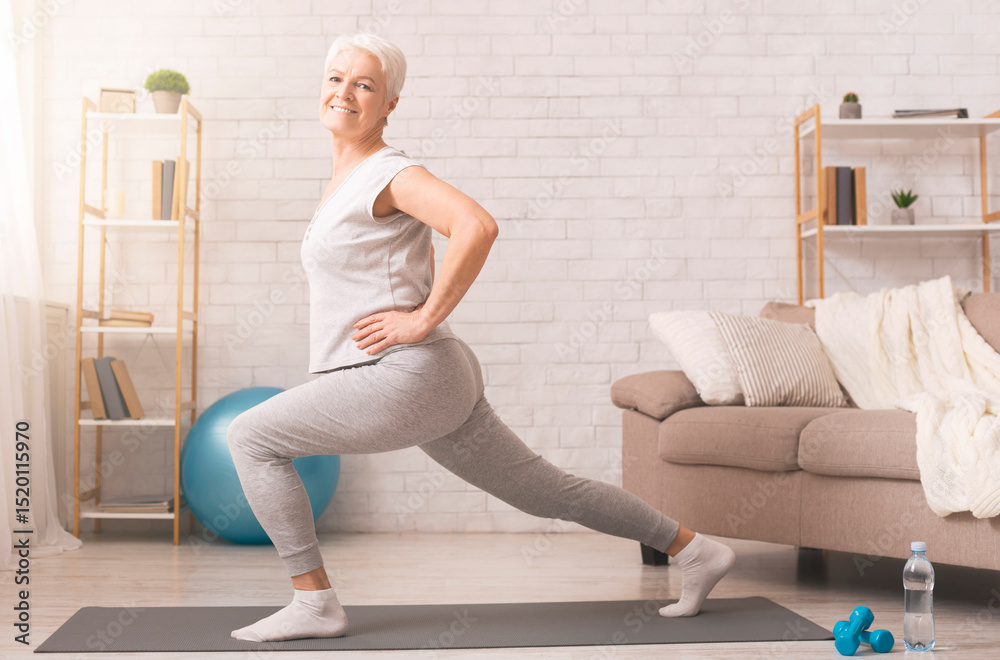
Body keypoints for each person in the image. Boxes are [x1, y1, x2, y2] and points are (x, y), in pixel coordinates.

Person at [226, 32, 735, 644]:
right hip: (431, 376)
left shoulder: (389, 172)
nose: (344, 92)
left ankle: (314, 602)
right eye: (336, 78)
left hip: (407, 373)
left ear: (389, 103)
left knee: (251, 436)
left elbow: (476, 225)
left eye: (363, 84)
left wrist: (421, 319)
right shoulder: (347, 181)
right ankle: (695, 549)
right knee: (544, 491)